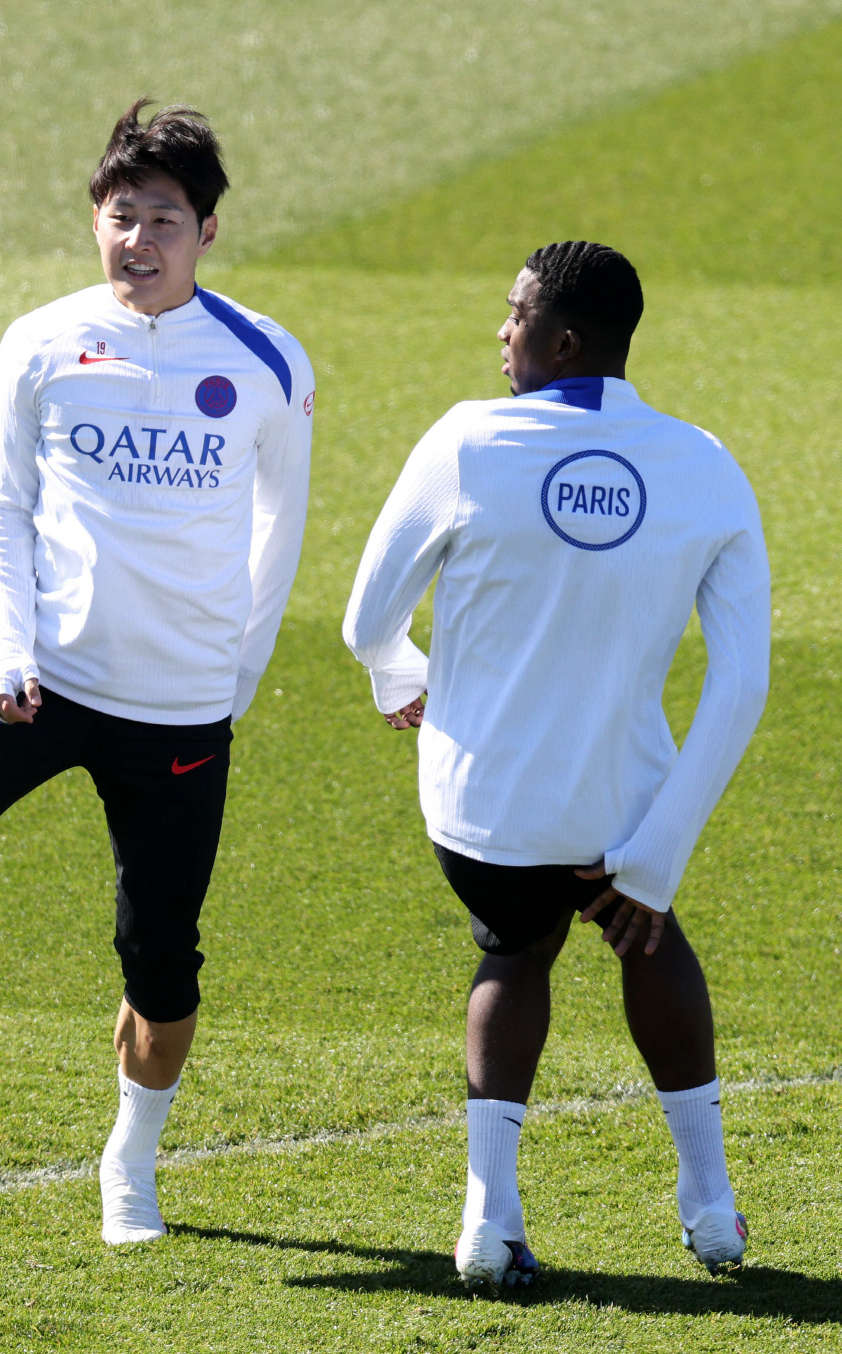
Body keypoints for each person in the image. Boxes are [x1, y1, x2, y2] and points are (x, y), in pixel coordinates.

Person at [0, 100, 314, 1245]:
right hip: (43, 680)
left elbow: (282, 522)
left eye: (165, 221)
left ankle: (129, 1166)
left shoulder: (268, 360)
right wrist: (12, 652)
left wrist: (240, 669)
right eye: (121, 216)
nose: (139, 240)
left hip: (183, 705)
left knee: (164, 960)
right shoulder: (41, 341)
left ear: (210, 232)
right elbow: (6, 508)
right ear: (95, 219)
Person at [343, 241, 769, 1292]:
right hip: (622, 808)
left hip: (480, 809)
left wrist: (399, 671)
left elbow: (366, 619)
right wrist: (655, 859)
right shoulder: (704, 462)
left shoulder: (465, 442)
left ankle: (489, 1219)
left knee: (514, 952)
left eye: (514, 314)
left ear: (561, 338)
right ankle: (712, 1209)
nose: (501, 331)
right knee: (648, 939)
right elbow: (742, 682)